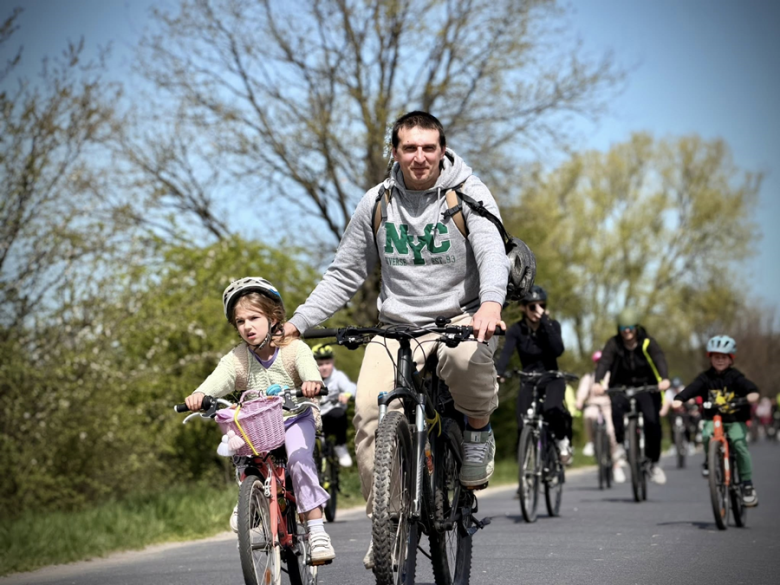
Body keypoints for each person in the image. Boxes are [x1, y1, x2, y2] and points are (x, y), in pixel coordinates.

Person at [284, 111, 520, 570]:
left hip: (459, 317)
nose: (419, 157)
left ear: (442, 149)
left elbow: (492, 252)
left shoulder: (467, 193)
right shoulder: (376, 202)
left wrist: (490, 304)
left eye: (428, 148)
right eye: (409, 148)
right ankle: (386, 525)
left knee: (469, 360)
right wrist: (298, 321)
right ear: (395, 152)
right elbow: (345, 274)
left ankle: (477, 430)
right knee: (371, 415)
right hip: (395, 327)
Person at [183, 277, 336, 562]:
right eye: (240, 322)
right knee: (239, 447)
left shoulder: (294, 348)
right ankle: (250, 501)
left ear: (274, 317)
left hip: (294, 417)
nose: (247, 327)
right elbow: (219, 379)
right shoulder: (239, 357)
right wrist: (200, 394)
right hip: (259, 425)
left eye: (254, 318)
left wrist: (312, 382)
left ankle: (316, 531)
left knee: (300, 460)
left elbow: (308, 370)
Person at [672, 335, 759, 506]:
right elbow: (693, 388)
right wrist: (680, 398)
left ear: (730, 359)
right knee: (706, 435)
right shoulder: (705, 378)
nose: (719, 360)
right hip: (713, 418)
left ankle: (747, 485)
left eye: (723, 357)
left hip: (735, 419)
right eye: (716, 357)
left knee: (738, 443)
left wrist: (751, 395)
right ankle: (709, 460)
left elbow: (749, 388)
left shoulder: (735, 377)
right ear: (710, 358)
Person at [592, 308, 671, 485]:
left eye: (630, 327)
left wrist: (664, 378)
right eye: (623, 327)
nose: (626, 331)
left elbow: (659, 358)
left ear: (636, 326)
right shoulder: (614, 344)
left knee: (652, 421)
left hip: (646, 387)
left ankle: (653, 462)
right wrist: (598, 382)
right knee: (617, 408)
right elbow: (605, 361)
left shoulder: (647, 342)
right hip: (621, 386)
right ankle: (620, 444)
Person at [496, 285, 573, 464]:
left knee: (552, 409)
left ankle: (562, 442)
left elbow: (558, 350)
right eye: (532, 306)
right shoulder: (516, 330)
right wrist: (499, 372)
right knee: (522, 422)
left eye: (542, 306)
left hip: (552, 377)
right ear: (523, 307)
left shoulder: (553, 326)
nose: (537, 310)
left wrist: (545, 322)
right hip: (529, 378)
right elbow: (506, 352)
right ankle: (526, 478)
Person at [575, 351, 626, 483]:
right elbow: (582, 391)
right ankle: (591, 442)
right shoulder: (589, 377)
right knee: (588, 416)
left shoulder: (611, 376)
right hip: (593, 405)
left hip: (608, 406)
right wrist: (579, 401)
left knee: (611, 431)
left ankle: (616, 464)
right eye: (597, 362)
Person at [312, 343, 356, 467]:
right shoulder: (309, 378)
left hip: (331, 415)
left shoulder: (338, 377)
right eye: (320, 364)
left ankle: (340, 445)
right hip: (315, 417)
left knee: (339, 413)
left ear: (333, 362)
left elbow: (351, 387)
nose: (324, 367)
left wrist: (346, 394)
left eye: (327, 363)